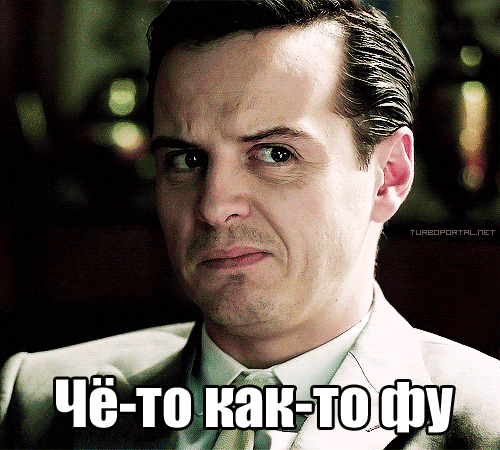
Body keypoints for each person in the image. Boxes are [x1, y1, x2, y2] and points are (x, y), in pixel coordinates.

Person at [1, 0, 499, 448]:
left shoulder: (488, 422)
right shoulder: (35, 404)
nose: (214, 207)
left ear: (389, 175)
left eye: (275, 154)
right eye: (186, 160)